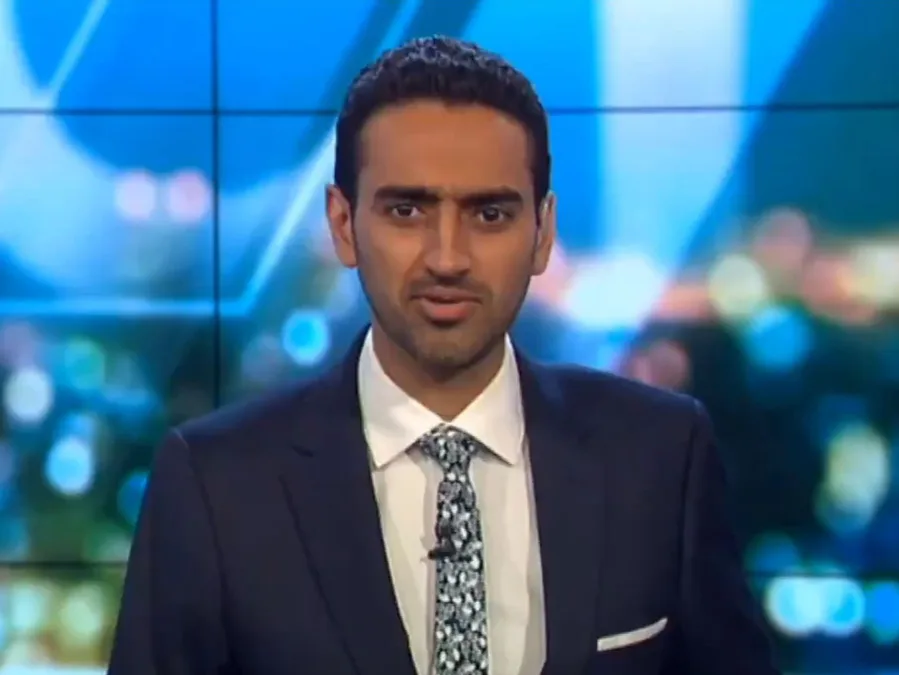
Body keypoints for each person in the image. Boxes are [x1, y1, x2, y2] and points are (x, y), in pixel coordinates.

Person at [108, 36, 780, 675]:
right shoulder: (216, 483)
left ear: (542, 232)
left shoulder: (659, 455)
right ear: (343, 224)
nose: (448, 258)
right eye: (406, 211)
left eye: (489, 214)